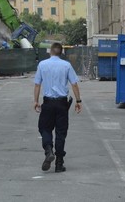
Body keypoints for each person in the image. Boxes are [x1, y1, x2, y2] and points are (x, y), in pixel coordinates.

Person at [33, 42, 82, 173]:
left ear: (50, 52)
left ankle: (48, 150)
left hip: (48, 103)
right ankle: (59, 164)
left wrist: (35, 101)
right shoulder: (66, 65)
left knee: (44, 128)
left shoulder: (42, 65)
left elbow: (37, 84)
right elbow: (74, 84)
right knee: (61, 132)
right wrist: (78, 101)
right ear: (61, 52)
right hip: (62, 104)